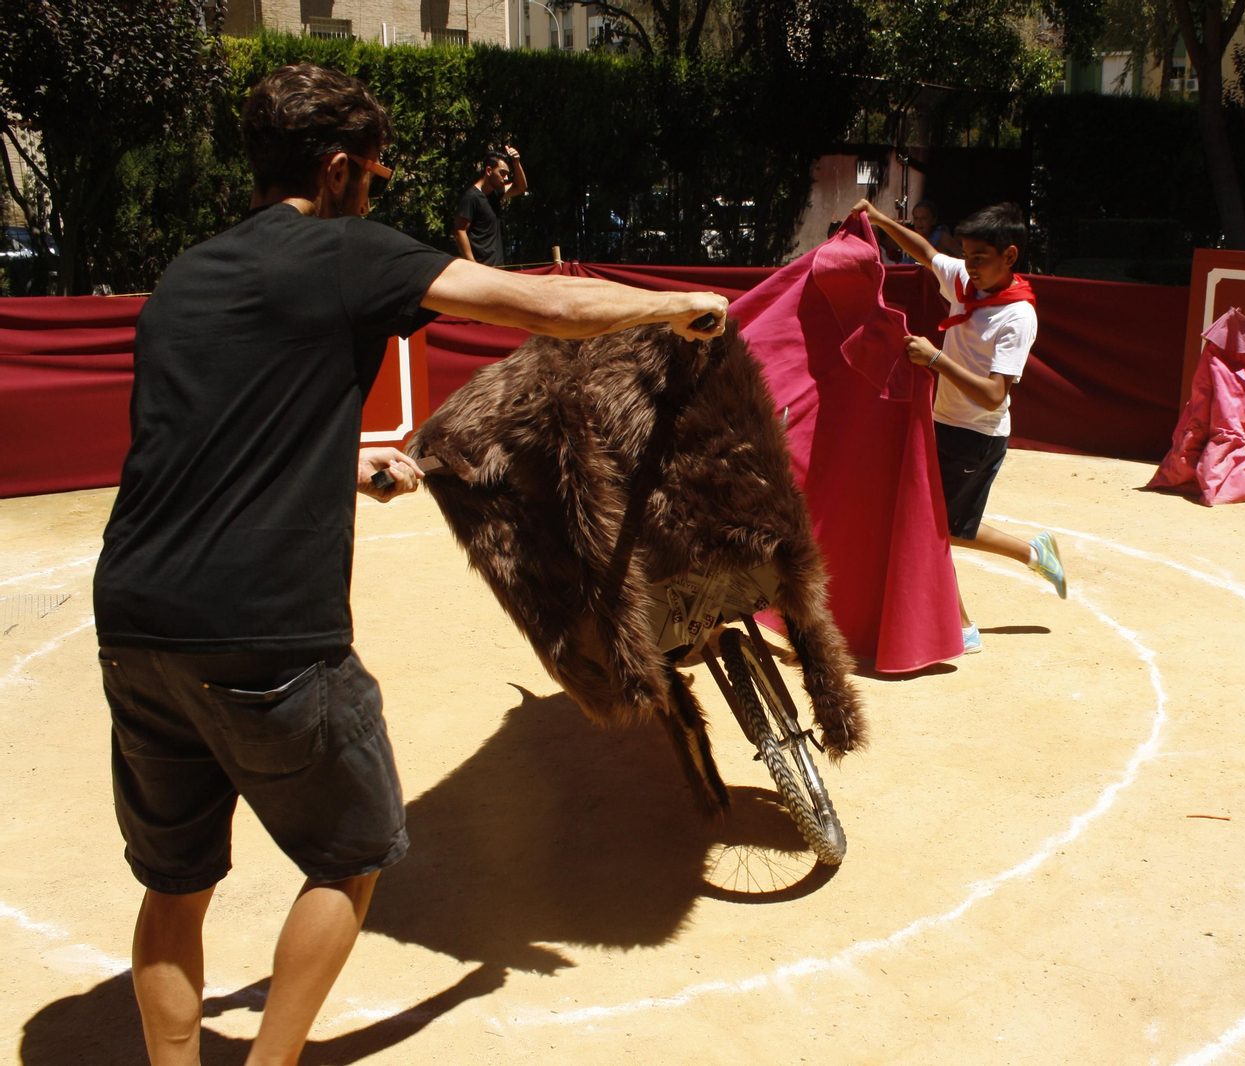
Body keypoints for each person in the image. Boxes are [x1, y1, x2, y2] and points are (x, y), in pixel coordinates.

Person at [92, 63, 725, 1066]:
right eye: (378, 177)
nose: (377, 192)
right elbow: (533, 303)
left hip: (133, 621)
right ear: (338, 169)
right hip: (263, 625)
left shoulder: (186, 277)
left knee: (173, 880)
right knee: (348, 856)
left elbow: (190, 440)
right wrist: (671, 304)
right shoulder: (342, 250)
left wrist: (341, 462)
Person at [853, 197, 1065, 656]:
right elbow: (926, 254)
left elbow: (994, 394)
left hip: (977, 437)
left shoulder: (1017, 316)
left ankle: (962, 625)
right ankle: (1034, 554)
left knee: (935, 528)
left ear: (1010, 256)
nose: (969, 266)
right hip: (942, 423)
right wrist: (881, 219)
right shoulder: (969, 281)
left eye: (980, 259)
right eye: (966, 256)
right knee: (949, 527)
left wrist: (935, 359)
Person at [451, 145, 526, 266]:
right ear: (489, 171)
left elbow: (520, 187)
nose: (505, 178)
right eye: (502, 173)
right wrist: (472, 264)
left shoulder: (495, 194)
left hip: (498, 268)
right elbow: (460, 231)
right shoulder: (471, 197)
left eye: (507, 174)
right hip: (480, 269)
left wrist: (516, 163)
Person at [881, 199, 960, 264]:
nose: (919, 222)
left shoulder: (942, 237)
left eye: (924, 218)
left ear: (933, 220)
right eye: (916, 218)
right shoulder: (913, 237)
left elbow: (962, 257)